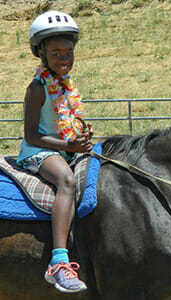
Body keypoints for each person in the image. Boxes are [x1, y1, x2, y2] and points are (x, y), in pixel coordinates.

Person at [17, 11, 93, 293]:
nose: (64, 58)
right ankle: (59, 262)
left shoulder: (65, 85)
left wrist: (80, 136)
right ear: (41, 53)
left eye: (69, 52)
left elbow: (64, 122)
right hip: (37, 152)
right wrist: (67, 147)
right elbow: (31, 134)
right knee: (67, 181)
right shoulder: (38, 88)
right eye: (56, 52)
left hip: (63, 147)